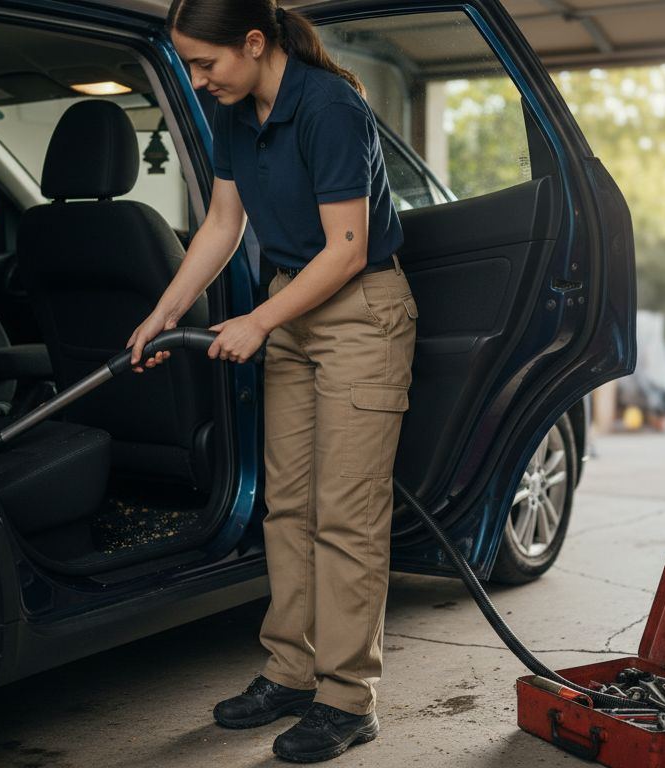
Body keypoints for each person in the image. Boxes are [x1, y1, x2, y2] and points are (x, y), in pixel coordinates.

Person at [125, 0, 416, 762]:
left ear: (254, 43)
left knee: (345, 516)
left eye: (205, 62)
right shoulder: (234, 109)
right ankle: (292, 672)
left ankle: (349, 700)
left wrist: (258, 321)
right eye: (188, 64)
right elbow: (223, 223)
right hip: (294, 305)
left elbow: (347, 248)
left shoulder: (329, 107)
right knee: (287, 508)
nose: (196, 79)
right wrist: (165, 310)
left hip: (358, 312)